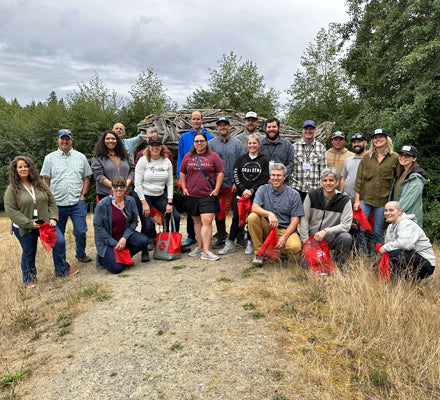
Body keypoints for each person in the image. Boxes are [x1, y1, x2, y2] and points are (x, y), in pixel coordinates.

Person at [4, 156, 78, 287]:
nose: (23, 169)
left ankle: (62, 270)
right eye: (20, 167)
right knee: (29, 251)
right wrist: (29, 223)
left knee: (59, 241)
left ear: (31, 168)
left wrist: (53, 218)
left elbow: (52, 202)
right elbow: (11, 210)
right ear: (15, 170)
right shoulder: (12, 189)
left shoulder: (40, 184)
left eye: (26, 166)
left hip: (44, 223)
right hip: (25, 226)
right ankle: (29, 279)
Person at [40, 129, 93, 263]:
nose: (65, 141)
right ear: (58, 140)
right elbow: (45, 180)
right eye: (62, 138)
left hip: (77, 202)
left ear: (71, 141)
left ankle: (81, 254)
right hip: (57, 203)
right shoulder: (49, 158)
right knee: (59, 236)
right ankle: (61, 262)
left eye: (67, 139)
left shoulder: (80, 157)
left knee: (81, 232)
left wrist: (83, 196)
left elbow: (86, 178)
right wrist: (48, 200)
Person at [218, 133, 269, 255]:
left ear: (259, 144)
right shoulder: (241, 159)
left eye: (254, 143)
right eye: (250, 143)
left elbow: (264, 178)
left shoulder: (264, 160)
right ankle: (230, 243)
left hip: (255, 195)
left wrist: (252, 190)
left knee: (252, 219)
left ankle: (251, 242)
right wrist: (243, 189)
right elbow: (236, 175)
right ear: (247, 145)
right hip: (241, 194)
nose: (252, 145)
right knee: (236, 218)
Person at [248, 163, 303, 268]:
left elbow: (295, 220)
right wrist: (269, 214)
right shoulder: (262, 189)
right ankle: (259, 253)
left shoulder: (294, 194)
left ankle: (281, 249)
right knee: (252, 217)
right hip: (266, 225)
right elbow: (254, 207)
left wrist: (284, 237)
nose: (275, 178)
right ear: (270, 176)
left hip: (284, 228)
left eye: (279, 175)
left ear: (284, 177)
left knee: (295, 247)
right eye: (273, 175)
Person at [179, 132, 224, 261]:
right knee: (197, 221)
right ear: (193, 143)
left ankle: (206, 251)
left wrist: (216, 189)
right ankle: (199, 246)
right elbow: (182, 172)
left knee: (207, 221)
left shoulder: (213, 156)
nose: (199, 143)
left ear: (206, 142)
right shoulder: (188, 157)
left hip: (207, 194)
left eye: (202, 141)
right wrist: (184, 187)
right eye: (197, 141)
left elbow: (220, 173)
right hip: (192, 195)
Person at [135, 136, 180, 261]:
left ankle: (170, 244)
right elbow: (137, 184)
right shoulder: (143, 161)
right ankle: (144, 250)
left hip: (159, 195)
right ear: (149, 147)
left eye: (157, 145)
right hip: (143, 195)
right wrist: (144, 203)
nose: (155, 147)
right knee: (147, 224)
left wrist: (169, 202)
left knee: (175, 216)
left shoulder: (166, 162)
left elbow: (170, 183)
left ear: (161, 147)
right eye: (152, 145)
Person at [300, 167, 353, 275]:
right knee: (305, 266)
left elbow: (346, 226)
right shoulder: (311, 196)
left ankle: (339, 265)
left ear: (337, 182)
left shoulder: (344, 200)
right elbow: (304, 220)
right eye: (325, 180)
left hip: (330, 238)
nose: (328, 183)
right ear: (321, 182)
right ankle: (320, 258)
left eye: (331, 180)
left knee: (346, 237)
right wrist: (306, 245)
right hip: (312, 239)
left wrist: (326, 231)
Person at [353, 128, 399, 250]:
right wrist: (357, 201)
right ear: (372, 141)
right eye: (375, 138)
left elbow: (398, 179)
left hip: (383, 201)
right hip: (365, 198)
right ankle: (361, 255)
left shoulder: (394, 157)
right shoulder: (366, 158)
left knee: (378, 230)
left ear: (386, 139)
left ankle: (375, 256)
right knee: (358, 227)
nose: (378, 139)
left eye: (381, 137)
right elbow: (359, 180)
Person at [93, 176, 149, 274]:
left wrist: (124, 238)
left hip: (123, 236)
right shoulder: (102, 205)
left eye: (122, 186)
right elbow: (98, 227)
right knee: (117, 269)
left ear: (125, 187)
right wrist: (114, 243)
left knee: (144, 241)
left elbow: (134, 222)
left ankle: (123, 255)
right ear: (112, 187)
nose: (119, 189)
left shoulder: (130, 201)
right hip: (108, 239)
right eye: (115, 186)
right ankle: (102, 258)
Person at [176, 111, 214, 248]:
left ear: (202, 120)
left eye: (198, 119)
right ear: (190, 121)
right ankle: (191, 236)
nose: (196, 121)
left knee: (205, 212)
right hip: (189, 177)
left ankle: (205, 238)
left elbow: (213, 158)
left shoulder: (209, 137)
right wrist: (180, 178)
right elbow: (181, 157)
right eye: (194, 119)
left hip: (204, 180)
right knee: (192, 210)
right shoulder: (184, 137)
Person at [208, 116, 245, 249]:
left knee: (239, 212)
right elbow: (209, 165)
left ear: (229, 126)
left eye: (225, 125)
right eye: (220, 125)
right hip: (218, 185)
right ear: (217, 127)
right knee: (219, 213)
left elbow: (241, 164)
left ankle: (240, 237)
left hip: (234, 184)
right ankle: (221, 236)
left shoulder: (237, 143)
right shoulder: (211, 144)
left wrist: (238, 182)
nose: (222, 127)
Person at [380, 201, 435, 279]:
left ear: (399, 212)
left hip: (426, 264)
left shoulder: (406, 224)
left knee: (395, 255)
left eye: (391, 210)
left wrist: (384, 248)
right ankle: (397, 284)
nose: (387, 213)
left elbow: (405, 244)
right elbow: (389, 248)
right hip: (411, 257)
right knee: (380, 262)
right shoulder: (390, 227)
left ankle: (404, 282)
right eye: (386, 210)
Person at [390, 145, 428, 227]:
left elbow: (407, 202)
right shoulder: (401, 173)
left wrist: (393, 213)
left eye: (407, 155)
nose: (403, 157)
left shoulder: (416, 178)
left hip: (409, 220)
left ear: (414, 158)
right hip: (399, 217)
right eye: (401, 155)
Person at [91, 130, 135, 200]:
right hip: (106, 195)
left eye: (113, 139)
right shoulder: (97, 158)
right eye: (107, 139)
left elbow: (133, 170)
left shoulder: (126, 156)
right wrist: (115, 186)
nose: (110, 141)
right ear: (103, 141)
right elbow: (98, 175)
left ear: (117, 141)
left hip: (126, 194)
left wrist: (126, 183)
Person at [291, 119, 327, 201]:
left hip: (315, 189)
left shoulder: (321, 148)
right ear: (302, 130)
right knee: (298, 213)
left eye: (311, 129)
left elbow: (323, 170)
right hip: (297, 189)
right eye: (306, 129)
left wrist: (322, 188)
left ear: (314, 130)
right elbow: (291, 168)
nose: (308, 131)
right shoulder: (294, 147)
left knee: (314, 214)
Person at [340, 133, 368, 200]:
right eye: (354, 142)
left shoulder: (370, 159)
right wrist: (340, 194)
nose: (356, 144)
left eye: (359, 141)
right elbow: (343, 179)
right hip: (347, 198)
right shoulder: (348, 160)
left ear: (365, 143)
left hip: (364, 200)